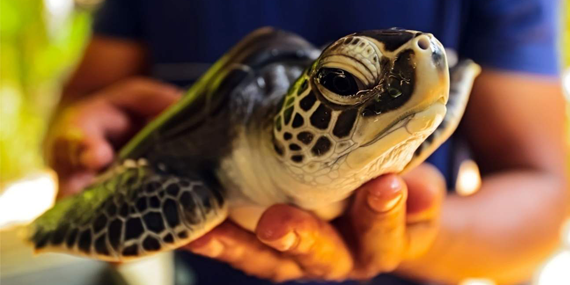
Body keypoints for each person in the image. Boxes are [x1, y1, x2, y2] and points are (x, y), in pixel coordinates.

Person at [45, 0, 569, 284]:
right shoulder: (195, 187)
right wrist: (82, 144)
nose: (426, 80)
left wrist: (413, 239)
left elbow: (548, 192)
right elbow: (82, 109)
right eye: (345, 84)